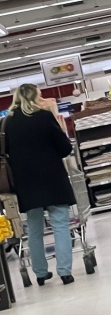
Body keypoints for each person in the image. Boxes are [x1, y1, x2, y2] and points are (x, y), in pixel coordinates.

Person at [3, 84, 76, 286]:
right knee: (60, 226)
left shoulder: (6, 123)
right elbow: (64, 149)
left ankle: (41, 274)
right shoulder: (44, 117)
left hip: (26, 183)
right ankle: (65, 272)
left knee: (34, 230)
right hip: (53, 180)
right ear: (35, 96)